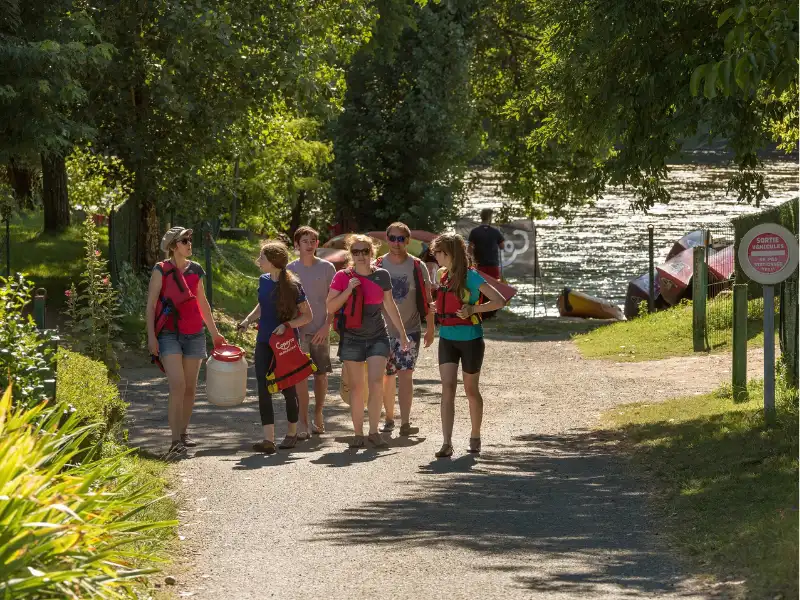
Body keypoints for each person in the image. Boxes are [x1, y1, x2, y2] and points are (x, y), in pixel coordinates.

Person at [146, 226, 226, 455]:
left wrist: (215, 333)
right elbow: (151, 305)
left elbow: (202, 303)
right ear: (173, 246)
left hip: (194, 334)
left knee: (190, 388)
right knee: (178, 385)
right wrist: (151, 337)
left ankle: (183, 433)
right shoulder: (161, 270)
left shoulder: (196, 270)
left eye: (190, 239)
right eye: (184, 241)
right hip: (168, 334)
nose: (189, 244)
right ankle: (174, 441)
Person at [325, 234, 409, 449]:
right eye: (356, 252)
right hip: (352, 337)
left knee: (376, 383)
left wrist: (402, 333)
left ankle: (373, 432)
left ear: (372, 253)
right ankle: (358, 433)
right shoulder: (343, 276)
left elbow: (389, 304)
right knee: (356, 388)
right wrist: (348, 290)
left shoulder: (382, 275)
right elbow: (330, 307)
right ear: (350, 254)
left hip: (377, 336)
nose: (360, 255)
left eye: (365, 251)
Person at [431, 233, 506, 458]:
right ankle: (446, 442)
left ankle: (475, 435)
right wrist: (437, 306)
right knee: (447, 388)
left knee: (471, 390)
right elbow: (445, 300)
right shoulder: (442, 275)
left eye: (437, 252)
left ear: (449, 253)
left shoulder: (471, 276)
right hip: (447, 338)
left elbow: (499, 300)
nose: (435, 256)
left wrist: (473, 309)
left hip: (471, 339)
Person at [237, 241, 313, 454]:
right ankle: (268, 439)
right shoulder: (263, 280)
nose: (258, 261)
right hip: (264, 340)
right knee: (263, 387)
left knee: (288, 387)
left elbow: (307, 316)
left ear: (272, 261)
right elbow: (262, 305)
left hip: (285, 343)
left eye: (261, 257)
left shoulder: (293, 286)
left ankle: (292, 433)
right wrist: (247, 320)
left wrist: (287, 325)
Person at [375, 222, 434, 436]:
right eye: (393, 238)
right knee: (387, 376)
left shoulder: (417, 266)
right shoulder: (378, 265)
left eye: (401, 239)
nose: (396, 243)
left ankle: (405, 423)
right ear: (387, 239)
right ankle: (389, 419)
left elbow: (428, 298)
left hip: (410, 329)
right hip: (381, 331)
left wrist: (431, 327)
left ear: (408, 241)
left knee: (406, 374)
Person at [287, 226, 336, 438]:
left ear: (317, 244)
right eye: (305, 241)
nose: (309, 245)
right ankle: (303, 421)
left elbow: (334, 301)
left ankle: (318, 413)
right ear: (296, 245)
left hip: (320, 330)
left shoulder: (327, 268)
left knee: (321, 375)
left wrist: (327, 326)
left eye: (313, 241)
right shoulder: (289, 268)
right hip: (297, 332)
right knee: (300, 377)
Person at [468, 208, 505, 280]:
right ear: (490, 218)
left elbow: (470, 249)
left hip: (479, 265)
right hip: (493, 265)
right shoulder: (495, 231)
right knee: (494, 285)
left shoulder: (474, 231)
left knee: (480, 285)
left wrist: (470, 262)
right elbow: (502, 246)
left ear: (481, 217)